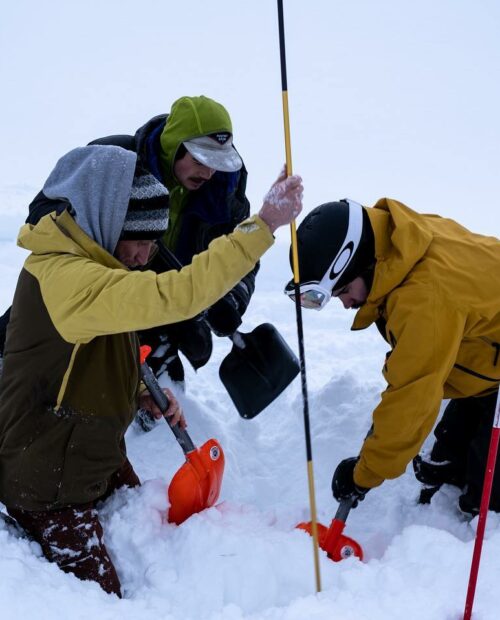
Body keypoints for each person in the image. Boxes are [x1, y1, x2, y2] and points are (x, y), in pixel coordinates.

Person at [0, 144, 303, 596]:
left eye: (152, 243)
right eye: (138, 241)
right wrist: (263, 226)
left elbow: (80, 362)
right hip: (48, 483)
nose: (144, 257)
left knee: (154, 531)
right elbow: (177, 295)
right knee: (103, 599)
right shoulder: (67, 278)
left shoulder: (95, 263)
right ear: (105, 219)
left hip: (88, 458)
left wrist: (133, 393)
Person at [0, 95, 257, 392]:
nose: (209, 172)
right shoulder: (115, 159)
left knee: (171, 342)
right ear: (175, 145)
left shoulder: (225, 190)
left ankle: (138, 394)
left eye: (218, 162)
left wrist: (232, 295)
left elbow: (240, 246)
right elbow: (44, 210)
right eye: (201, 160)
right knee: (39, 329)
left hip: (167, 292)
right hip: (94, 283)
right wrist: (95, 234)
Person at [285, 198, 500, 516]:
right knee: (440, 470)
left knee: (484, 503)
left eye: (342, 291)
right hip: (485, 353)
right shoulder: (403, 243)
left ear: (359, 263)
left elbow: (412, 399)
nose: (345, 304)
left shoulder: (423, 299)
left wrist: (363, 474)